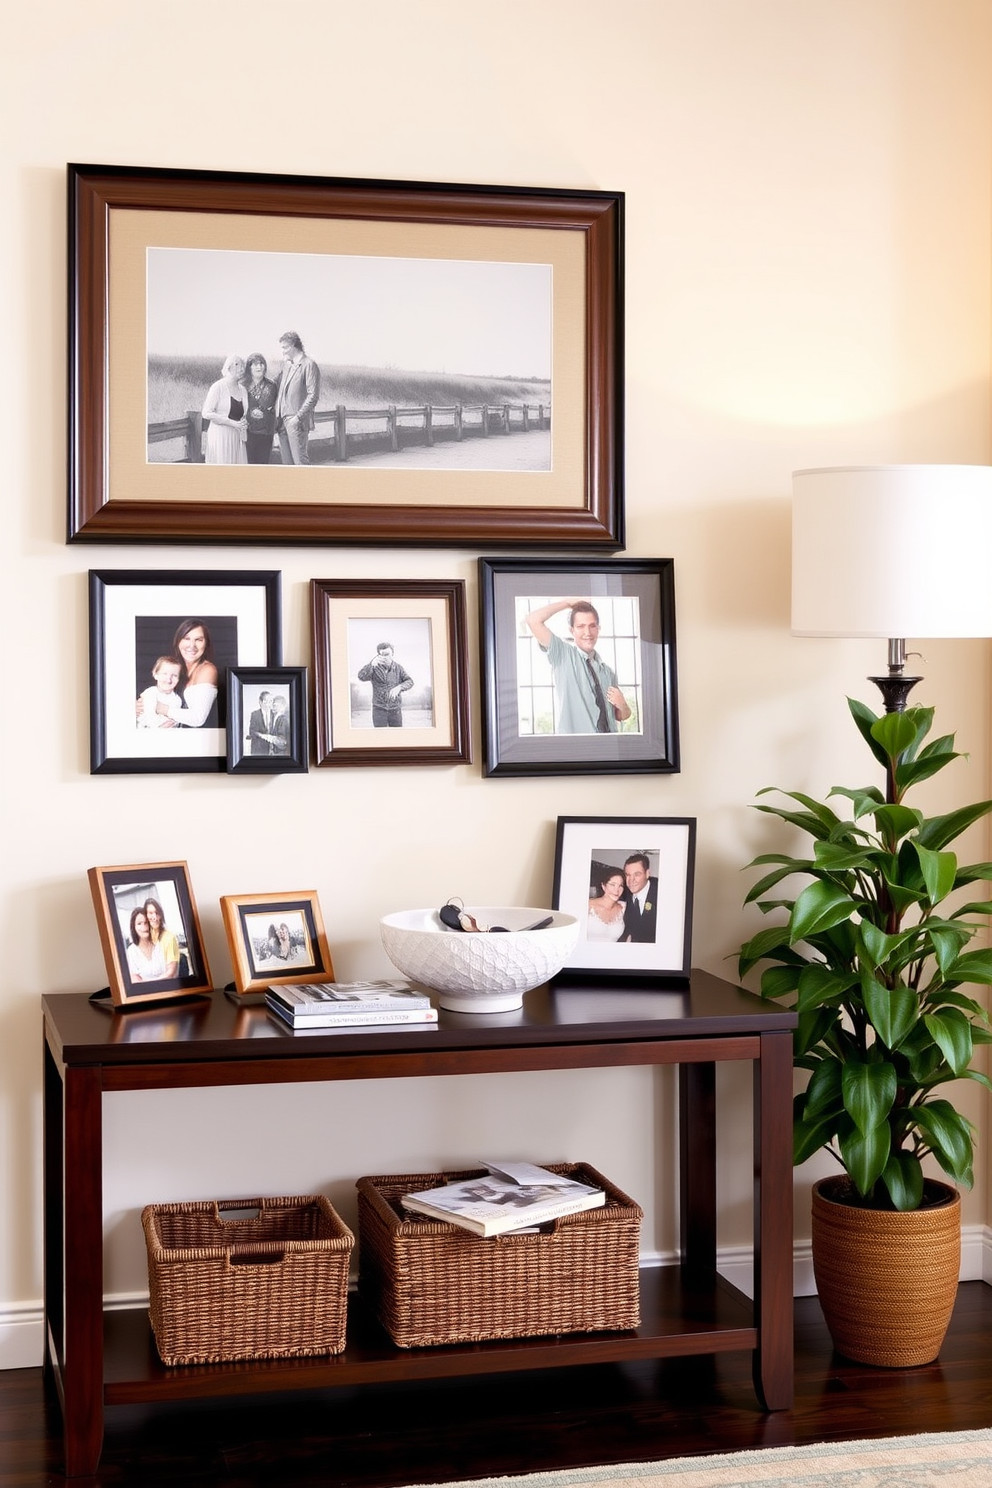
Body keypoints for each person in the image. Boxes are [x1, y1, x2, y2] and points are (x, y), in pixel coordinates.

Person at [524, 598, 631, 734]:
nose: (587, 632)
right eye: (581, 626)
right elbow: (533, 620)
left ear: (598, 629)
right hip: (576, 748)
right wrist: (568, 603)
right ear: (572, 630)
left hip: (608, 746)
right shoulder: (562, 654)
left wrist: (623, 705)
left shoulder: (608, 672)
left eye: (592, 626)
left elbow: (620, 715)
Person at [136, 619, 220, 729]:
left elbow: (198, 718)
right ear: (178, 641)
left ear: (206, 643)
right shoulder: (175, 668)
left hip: (200, 741)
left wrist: (160, 708)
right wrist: (139, 707)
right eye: (186, 638)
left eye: (199, 640)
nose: (192, 645)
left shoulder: (208, 670)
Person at [274, 331, 320, 465]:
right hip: (281, 422)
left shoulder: (309, 364)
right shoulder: (287, 365)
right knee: (287, 465)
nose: (282, 351)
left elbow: (313, 396)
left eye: (284, 348)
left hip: (296, 422)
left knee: (300, 463)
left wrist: (298, 418)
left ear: (293, 345)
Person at [201, 355, 248, 464]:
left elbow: (242, 414)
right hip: (220, 437)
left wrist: (244, 421)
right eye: (236, 365)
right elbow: (206, 413)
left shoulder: (243, 390)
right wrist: (232, 423)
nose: (241, 368)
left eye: (242, 365)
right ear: (228, 368)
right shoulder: (218, 387)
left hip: (237, 438)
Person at [357, 642, 414, 727]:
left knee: (397, 736)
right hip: (378, 709)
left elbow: (410, 681)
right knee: (380, 737)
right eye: (382, 654)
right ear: (378, 655)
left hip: (395, 709)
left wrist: (399, 687)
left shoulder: (399, 668)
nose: (385, 657)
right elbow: (361, 676)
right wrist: (371, 665)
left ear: (393, 654)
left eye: (387, 654)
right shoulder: (374, 667)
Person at [244, 352, 278, 465]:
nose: (259, 367)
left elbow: (265, 403)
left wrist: (255, 411)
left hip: (265, 433)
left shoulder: (271, 386)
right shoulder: (243, 385)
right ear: (249, 367)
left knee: (262, 464)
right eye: (255, 364)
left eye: (261, 363)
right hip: (246, 432)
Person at [136, 656, 183, 729]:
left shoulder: (176, 700)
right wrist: (158, 727)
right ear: (155, 675)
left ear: (179, 679)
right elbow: (149, 715)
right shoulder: (150, 692)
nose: (169, 679)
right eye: (164, 674)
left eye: (174, 675)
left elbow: (173, 721)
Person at [623, 853, 659, 943]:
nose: (631, 880)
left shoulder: (662, 891)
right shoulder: (622, 891)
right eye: (628, 875)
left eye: (637, 874)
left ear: (647, 874)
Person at [125, 907, 168, 983]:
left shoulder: (162, 943)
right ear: (133, 928)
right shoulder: (131, 951)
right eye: (139, 923)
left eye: (146, 922)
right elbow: (135, 980)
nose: (144, 927)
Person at [587, 866, 628, 942]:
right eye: (612, 885)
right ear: (603, 886)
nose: (616, 890)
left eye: (620, 886)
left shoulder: (624, 907)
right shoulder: (588, 905)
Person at [144, 898, 180, 978]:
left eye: (157, 913)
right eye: (150, 913)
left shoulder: (169, 937)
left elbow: (171, 972)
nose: (155, 917)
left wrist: (151, 983)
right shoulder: (143, 938)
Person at [248, 690, 276, 755]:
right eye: (266, 701)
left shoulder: (274, 714)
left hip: (272, 750)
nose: (268, 703)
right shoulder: (255, 714)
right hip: (258, 749)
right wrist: (264, 736)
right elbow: (252, 731)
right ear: (260, 702)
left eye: (271, 701)